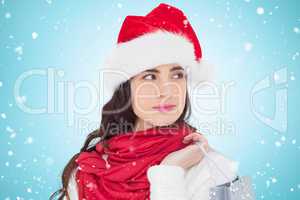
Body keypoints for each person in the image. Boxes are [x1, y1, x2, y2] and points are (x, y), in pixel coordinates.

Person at [49, 3, 238, 200]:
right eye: (149, 77)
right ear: (126, 87)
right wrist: (170, 170)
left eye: (177, 75)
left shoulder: (222, 170)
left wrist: (168, 173)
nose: (166, 91)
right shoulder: (86, 172)